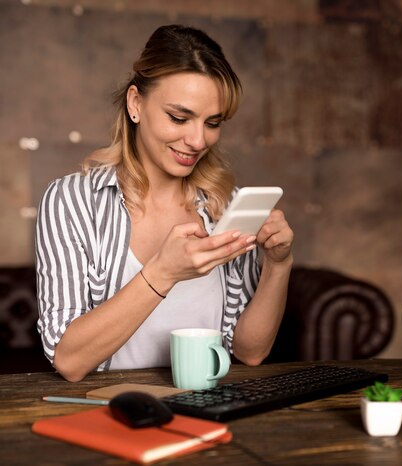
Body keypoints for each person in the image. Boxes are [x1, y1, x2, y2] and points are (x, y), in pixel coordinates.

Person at [35, 24, 294, 382]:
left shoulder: (225, 207)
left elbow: (250, 353)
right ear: (135, 104)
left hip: (210, 410)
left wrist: (278, 265)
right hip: (109, 414)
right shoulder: (73, 202)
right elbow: (69, 359)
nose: (197, 140)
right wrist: (163, 272)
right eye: (179, 117)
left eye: (213, 122)